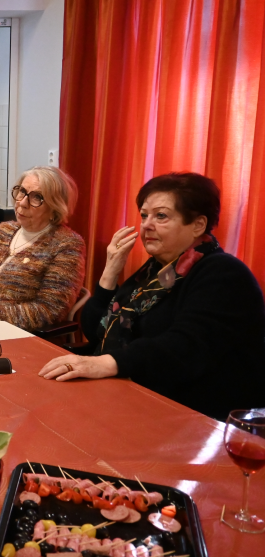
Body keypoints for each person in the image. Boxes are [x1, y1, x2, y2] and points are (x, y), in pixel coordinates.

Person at [40, 172, 265, 421]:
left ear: (198, 225)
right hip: (133, 393)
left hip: (195, 413)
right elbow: (96, 331)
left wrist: (108, 363)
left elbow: (185, 348)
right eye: (144, 215)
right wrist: (111, 270)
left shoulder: (224, 273)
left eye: (161, 216)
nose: (146, 225)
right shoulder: (155, 270)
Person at [0, 166, 85, 331]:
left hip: (13, 332)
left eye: (37, 197)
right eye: (22, 192)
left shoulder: (66, 245)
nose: (23, 203)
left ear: (55, 207)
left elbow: (50, 310)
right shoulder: (2, 231)